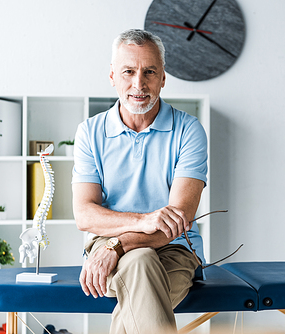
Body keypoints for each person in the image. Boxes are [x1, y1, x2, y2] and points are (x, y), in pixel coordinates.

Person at [71, 29, 208, 334]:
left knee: (140, 266)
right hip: (103, 246)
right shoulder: (89, 133)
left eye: (149, 72)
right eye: (128, 72)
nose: (138, 84)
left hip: (174, 249)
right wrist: (144, 220)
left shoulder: (189, 131)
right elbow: (84, 215)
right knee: (143, 264)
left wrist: (117, 246)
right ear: (112, 77)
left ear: (163, 78)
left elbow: (179, 220)